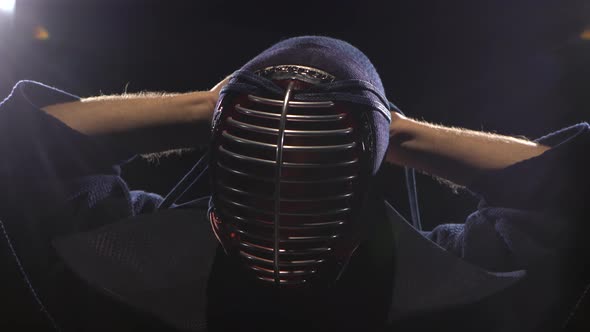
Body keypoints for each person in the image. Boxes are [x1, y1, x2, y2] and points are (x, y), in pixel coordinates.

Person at [0, 36, 588, 332]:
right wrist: (208, 106)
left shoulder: (439, 285)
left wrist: (394, 127)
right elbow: (17, 146)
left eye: (315, 172)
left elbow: (577, 192)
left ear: (362, 170)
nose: (284, 193)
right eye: (264, 163)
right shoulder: (134, 268)